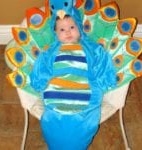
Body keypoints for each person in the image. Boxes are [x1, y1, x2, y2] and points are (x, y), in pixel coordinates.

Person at [30, 15, 116, 150]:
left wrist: (104, 80)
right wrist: (39, 82)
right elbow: (42, 66)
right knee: (52, 121)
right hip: (57, 91)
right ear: (56, 34)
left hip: (85, 90)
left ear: (80, 28)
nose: (68, 32)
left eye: (72, 27)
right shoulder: (50, 52)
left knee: (84, 123)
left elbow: (102, 62)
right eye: (62, 30)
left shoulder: (92, 48)